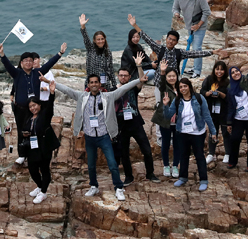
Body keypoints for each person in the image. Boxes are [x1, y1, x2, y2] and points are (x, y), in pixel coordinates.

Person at [56, 73, 145, 201]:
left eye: (96, 82)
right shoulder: (82, 96)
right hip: (90, 137)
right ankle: (94, 186)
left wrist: (138, 80)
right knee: (91, 165)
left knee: (112, 164)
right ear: (88, 84)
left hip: (104, 136)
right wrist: (50, 82)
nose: (94, 84)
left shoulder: (108, 96)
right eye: (91, 82)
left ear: (99, 84)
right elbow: (67, 90)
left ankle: (118, 188)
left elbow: (123, 89)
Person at [0, 42, 66, 165]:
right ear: (21, 62)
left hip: (34, 109)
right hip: (20, 109)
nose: (28, 62)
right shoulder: (17, 73)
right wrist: (2, 54)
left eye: (30, 60)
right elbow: (7, 65)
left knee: (37, 130)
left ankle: (36, 153)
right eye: (25, 60)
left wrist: (60, 53)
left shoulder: (38, 72)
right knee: (21, 131)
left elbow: (49, 64)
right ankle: (22, 155)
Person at [127, 14, 216, 102]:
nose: (170, 41)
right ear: (166, 39)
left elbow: (195, 53)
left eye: (173, 40)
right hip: (159, 84)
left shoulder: (179, 53)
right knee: (159, 106)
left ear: (176, 42)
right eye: (169, 39)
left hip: (174, 86)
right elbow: (147, 38)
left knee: (174, 106)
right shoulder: (160, 49)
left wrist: (212, 52)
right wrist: (135, 25)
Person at [163, 78, 216, 191]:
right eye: (181, 87)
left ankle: (203, 180)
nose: (183, 89)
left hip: (198, 132)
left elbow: (207, 115)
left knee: (199, 156)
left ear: (189, 86)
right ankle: (183, 177)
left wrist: (213, 131)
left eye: (185, 86)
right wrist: (165, 105)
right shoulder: (177, 101)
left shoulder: (199, 98)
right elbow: (168, 116)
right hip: (182, 132)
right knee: (184, 155)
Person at [115, 52, 160, 186]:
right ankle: (129, 177)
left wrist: (139, 66)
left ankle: (150, 173)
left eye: (125, 76)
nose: (123, 78)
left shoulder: (134, 88)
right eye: (121, 75)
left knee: (146, 149)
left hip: (135, 123)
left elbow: (142, 80)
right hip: (121, 126)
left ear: (129, 77)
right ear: (118, 77)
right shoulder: (113, 90)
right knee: (124, 153)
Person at [23, 78, 60, 204]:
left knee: (44, 169)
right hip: (33, 147)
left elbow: (50, 106)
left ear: (39, 105)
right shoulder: (28, 118)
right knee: (32, 169)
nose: (33, 108)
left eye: (35, 105)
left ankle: (43, 192)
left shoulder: (44, 115)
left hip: (44, 146)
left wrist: (52, 93)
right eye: (30, 106)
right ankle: (39, 186)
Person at [172, 0, 212, 78]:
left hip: (200, 26)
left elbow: (207, 12)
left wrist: (199, 25)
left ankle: (197, 71)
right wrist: (176, 14)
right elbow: (175, 8)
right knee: (192, 47)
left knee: (197, 48)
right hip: (190, 26)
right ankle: (194, 68)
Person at [152, 60, 181, 178]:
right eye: (169, 76)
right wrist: (162, 72)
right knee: (165, 143)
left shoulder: (181, 88)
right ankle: (165, 165)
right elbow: (161, 82)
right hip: (165, 120)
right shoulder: (164, 88)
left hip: (178, 121)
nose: (172, 78)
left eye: (174, 76)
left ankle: (175, 166)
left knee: (177, 144)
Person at [199, 60, 231, 164]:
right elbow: (202, 92)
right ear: (214, 70)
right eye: (217, 69)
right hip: (211, 110)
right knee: (213, 132)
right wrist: (208, 93)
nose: (219, 72)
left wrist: (221, 94)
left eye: (222, 69)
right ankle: (211, 153)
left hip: (223, 111)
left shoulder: (227, 82)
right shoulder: (209, 79)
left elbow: (230, 97)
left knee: (225, 132)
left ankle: (227, 153)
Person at [79, 14, 117, 91]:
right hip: (91, 83)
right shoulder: (91, 49)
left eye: (102, 39)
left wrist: (114, 84)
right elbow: (85, 38)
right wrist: (83, 26)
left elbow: (110, 69)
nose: (100, 41)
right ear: (94, 40)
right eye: (98, 39)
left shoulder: (107, 52)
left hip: (104, 84)